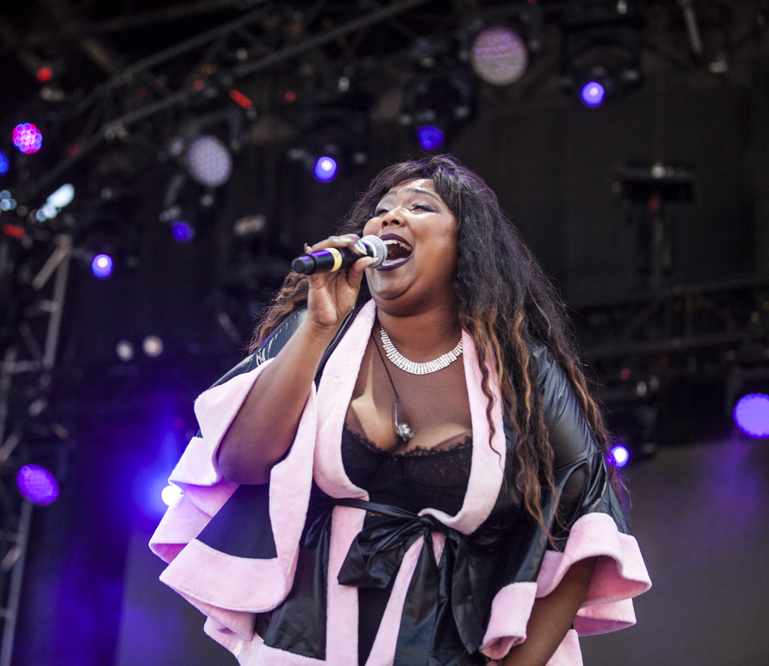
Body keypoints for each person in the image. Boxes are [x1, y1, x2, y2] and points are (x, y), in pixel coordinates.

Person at [151, 155, 650, 665]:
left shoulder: (522, 372)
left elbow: (582, 526)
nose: (389, 217)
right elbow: (240, 461)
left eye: (420, 207)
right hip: (303, 646)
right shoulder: (319, 333)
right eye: (382, 208)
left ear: (465, 249)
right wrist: (318, 328)